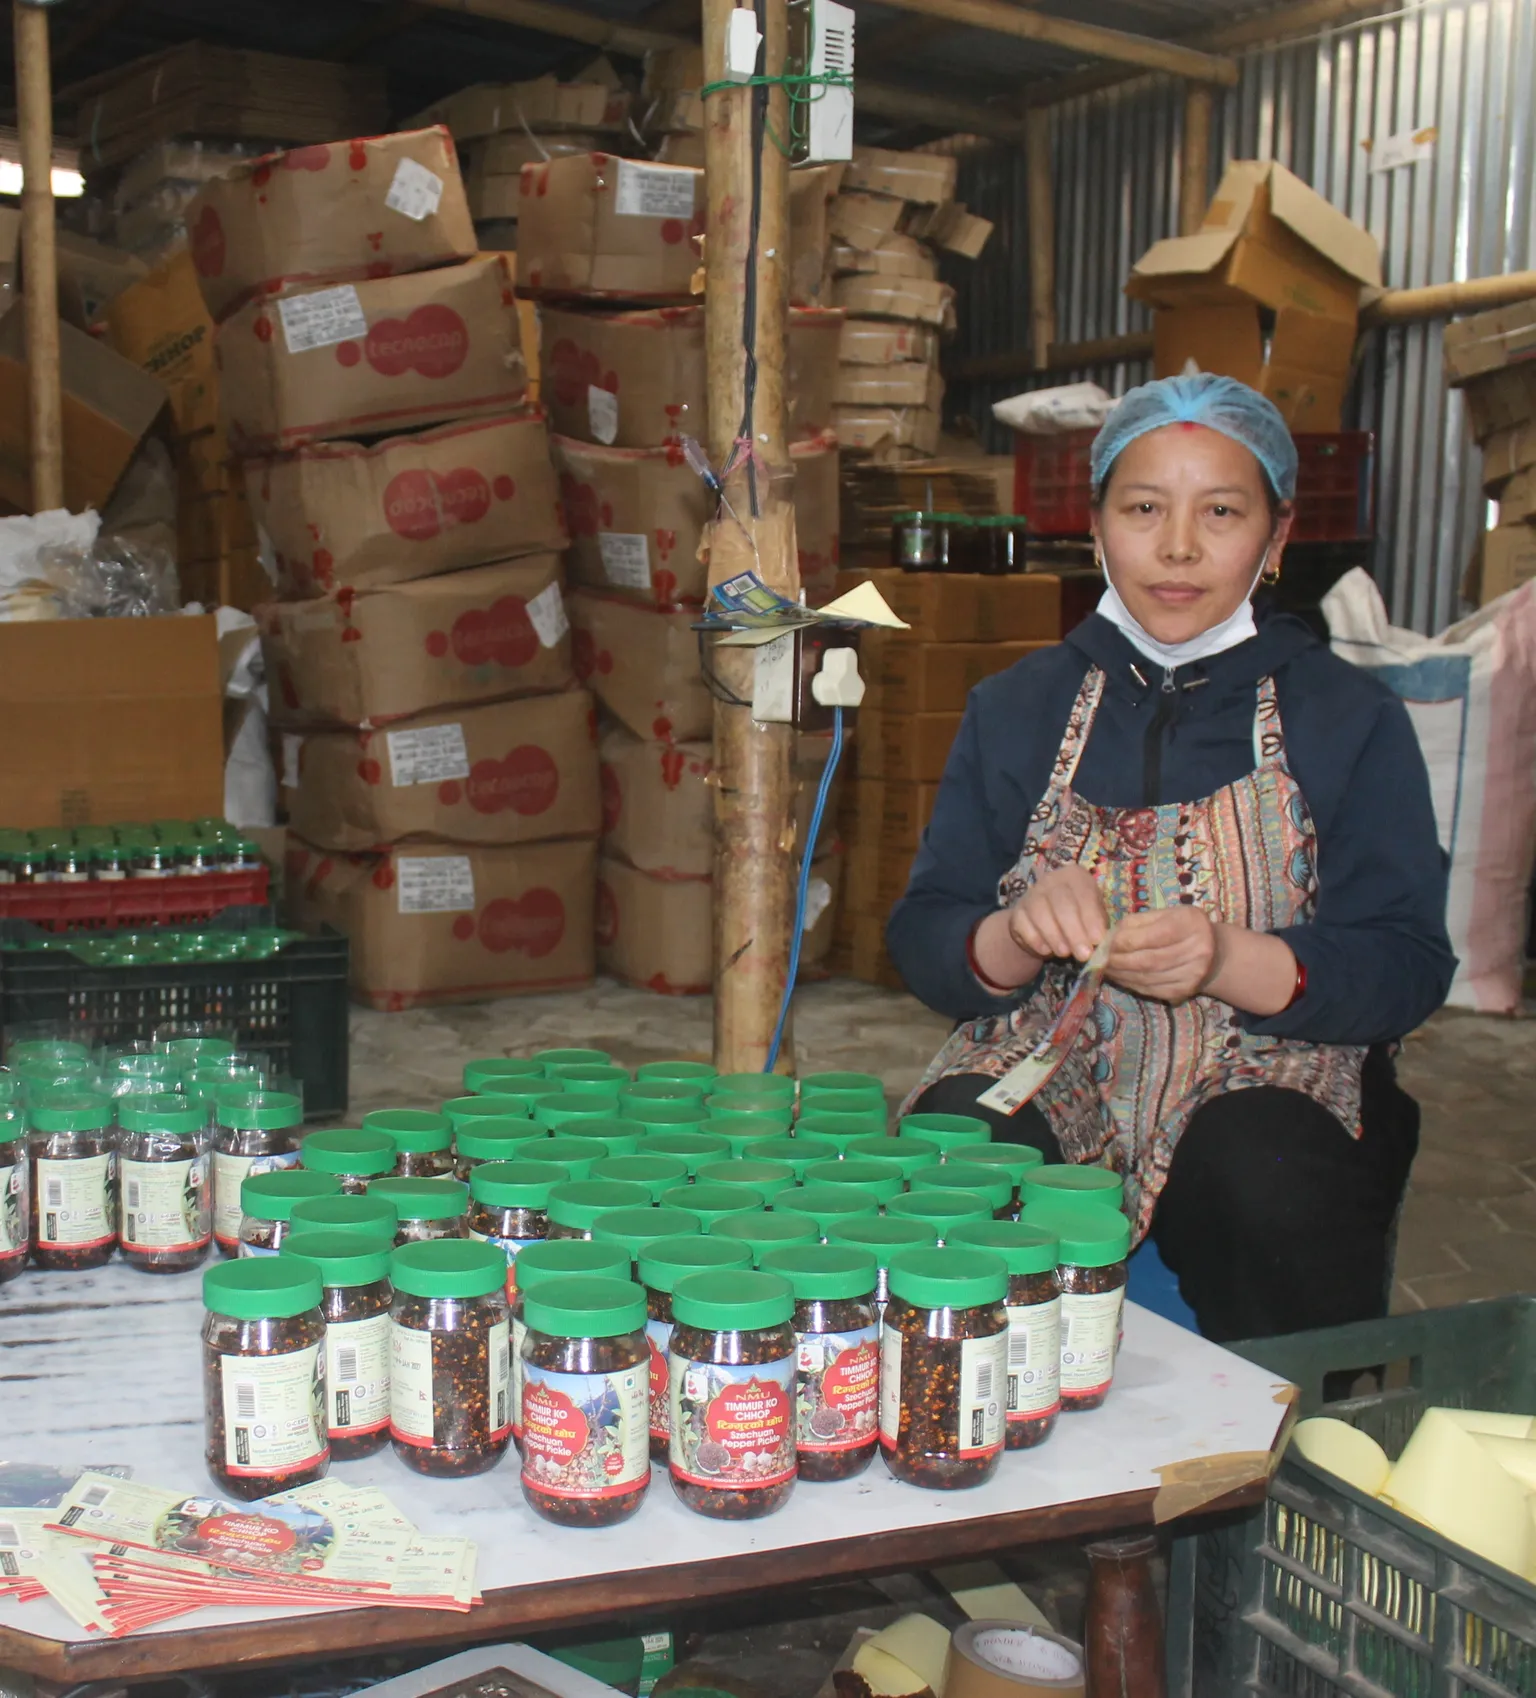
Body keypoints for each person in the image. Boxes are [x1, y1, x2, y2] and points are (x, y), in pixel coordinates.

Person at [886, 374, 1454, 1343]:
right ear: (1098, 526)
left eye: (1221, 512)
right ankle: (982, 1439)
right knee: (956, 1162)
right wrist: (1015, 936)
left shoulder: (1348, 721)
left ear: (1276, 539)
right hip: (1045, 1056)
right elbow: (924, 931)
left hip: (1268, 1071)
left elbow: (1407, 961)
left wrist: (1231, 960)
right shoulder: (1016, 710)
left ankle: (1281, 1474)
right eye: (1144, 508)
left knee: (1264, 1179)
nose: (1178, 546)